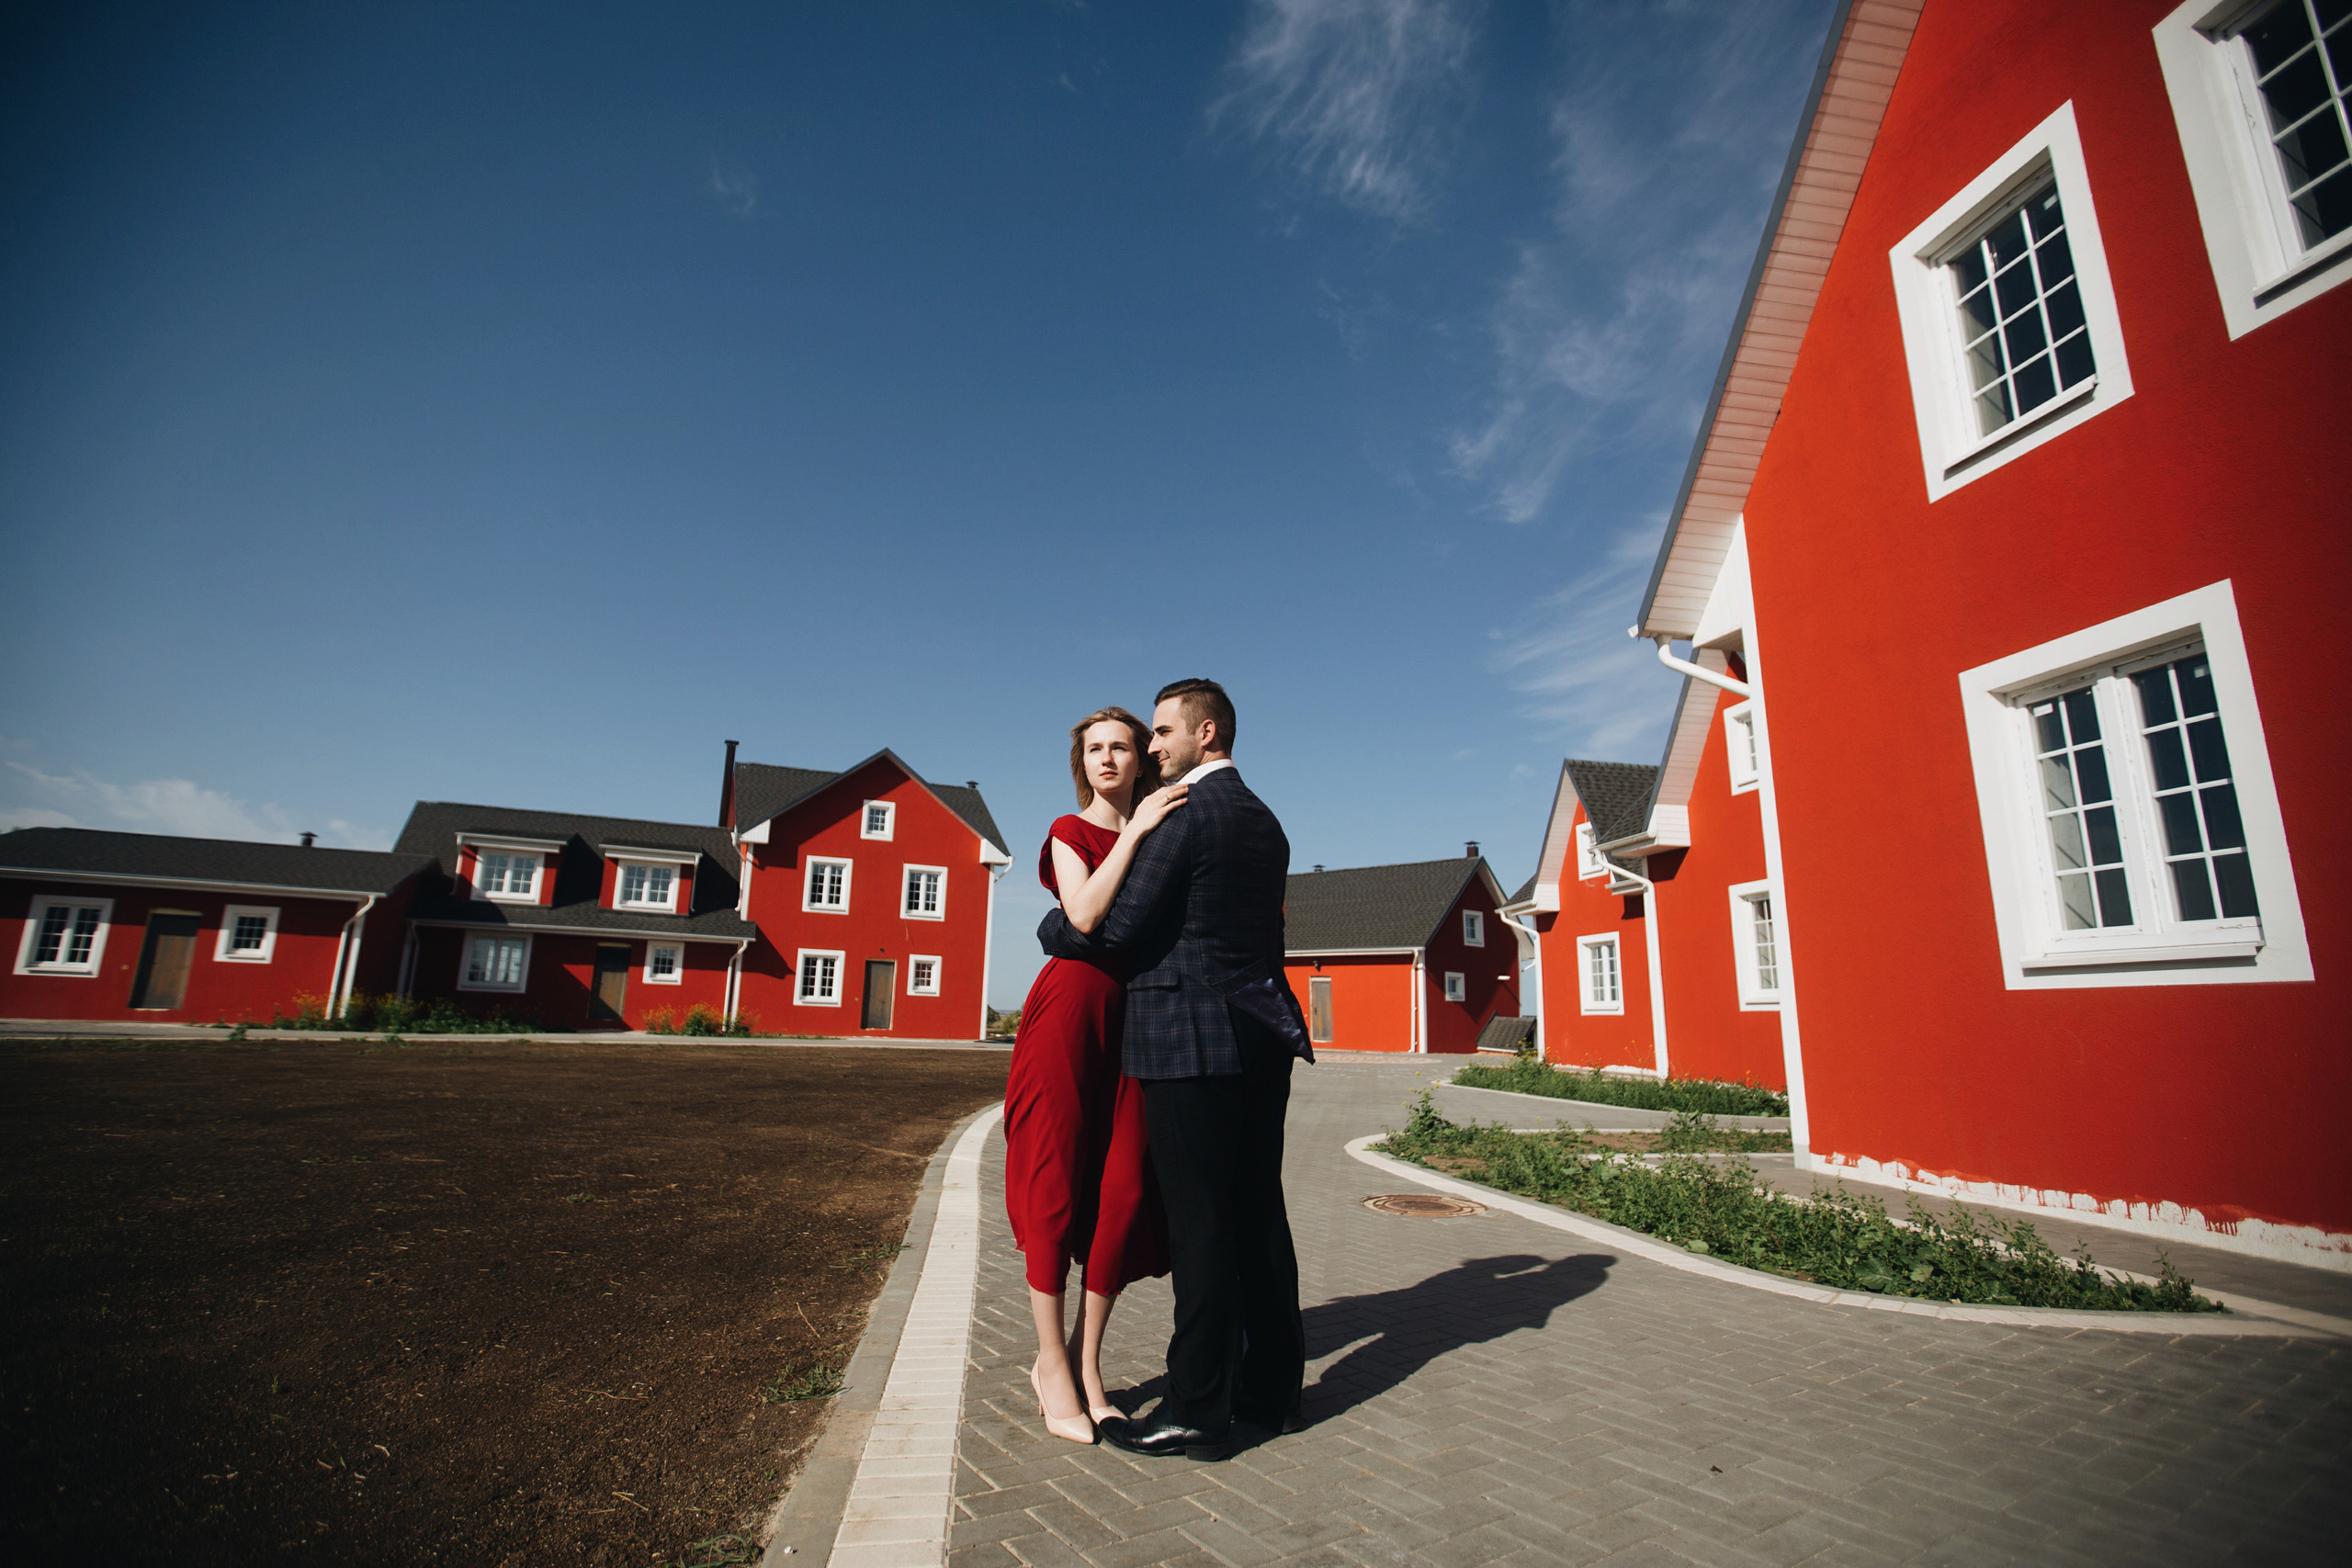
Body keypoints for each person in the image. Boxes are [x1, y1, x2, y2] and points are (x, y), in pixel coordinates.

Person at [1036, 677, 1311, 1461]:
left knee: (1201, 1226)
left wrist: (1051, 920)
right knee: (1260, 1212)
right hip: (1262, 1037)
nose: (1153, 747)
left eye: (1161, 732)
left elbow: (1113, 923)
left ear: (1208, 733)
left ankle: (1197, 1408)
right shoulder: (1266, 819)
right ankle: (1273, 1391)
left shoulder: (1186, 815)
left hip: (1189, 1037)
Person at [1001, 707, 1186, 1444]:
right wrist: (1135, 830)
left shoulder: (1168, 832)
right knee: (1053, 1174)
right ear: (1083, 761)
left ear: (1144, 757)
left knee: (1125, 1188)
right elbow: (1079, 912)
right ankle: (1051, 1363)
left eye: (1121, 746)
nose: (1107, 758)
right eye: (1094, 749)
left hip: (1137, 1020)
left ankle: (1089, 1364)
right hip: (1071, 1012)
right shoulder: (1068, 830)